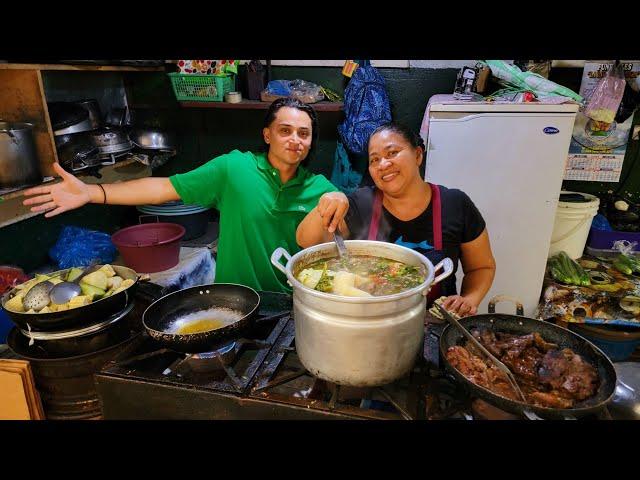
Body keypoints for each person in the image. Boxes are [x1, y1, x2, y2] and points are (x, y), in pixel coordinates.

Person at [23, 98, 348, 293]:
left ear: (310, 142)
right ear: (267, 134)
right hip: (234, 297)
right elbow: (164, 188)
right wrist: (92, 192)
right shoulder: (234, 169)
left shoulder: (321, 189)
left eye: (304, 134)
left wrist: (342, 203)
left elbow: (342, 246)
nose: (295, 140)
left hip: (290, 302)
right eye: (285, 130)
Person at [296, 122, 496, 316]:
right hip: (371, 322)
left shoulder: (455, 204)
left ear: (418, 155)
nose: (383, 164)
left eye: (392, 153)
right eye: (374, 159)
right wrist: (329, 201)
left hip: (436, 324)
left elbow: (481, 267)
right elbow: (306, 240)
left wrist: (469, 299)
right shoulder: (362, 202)